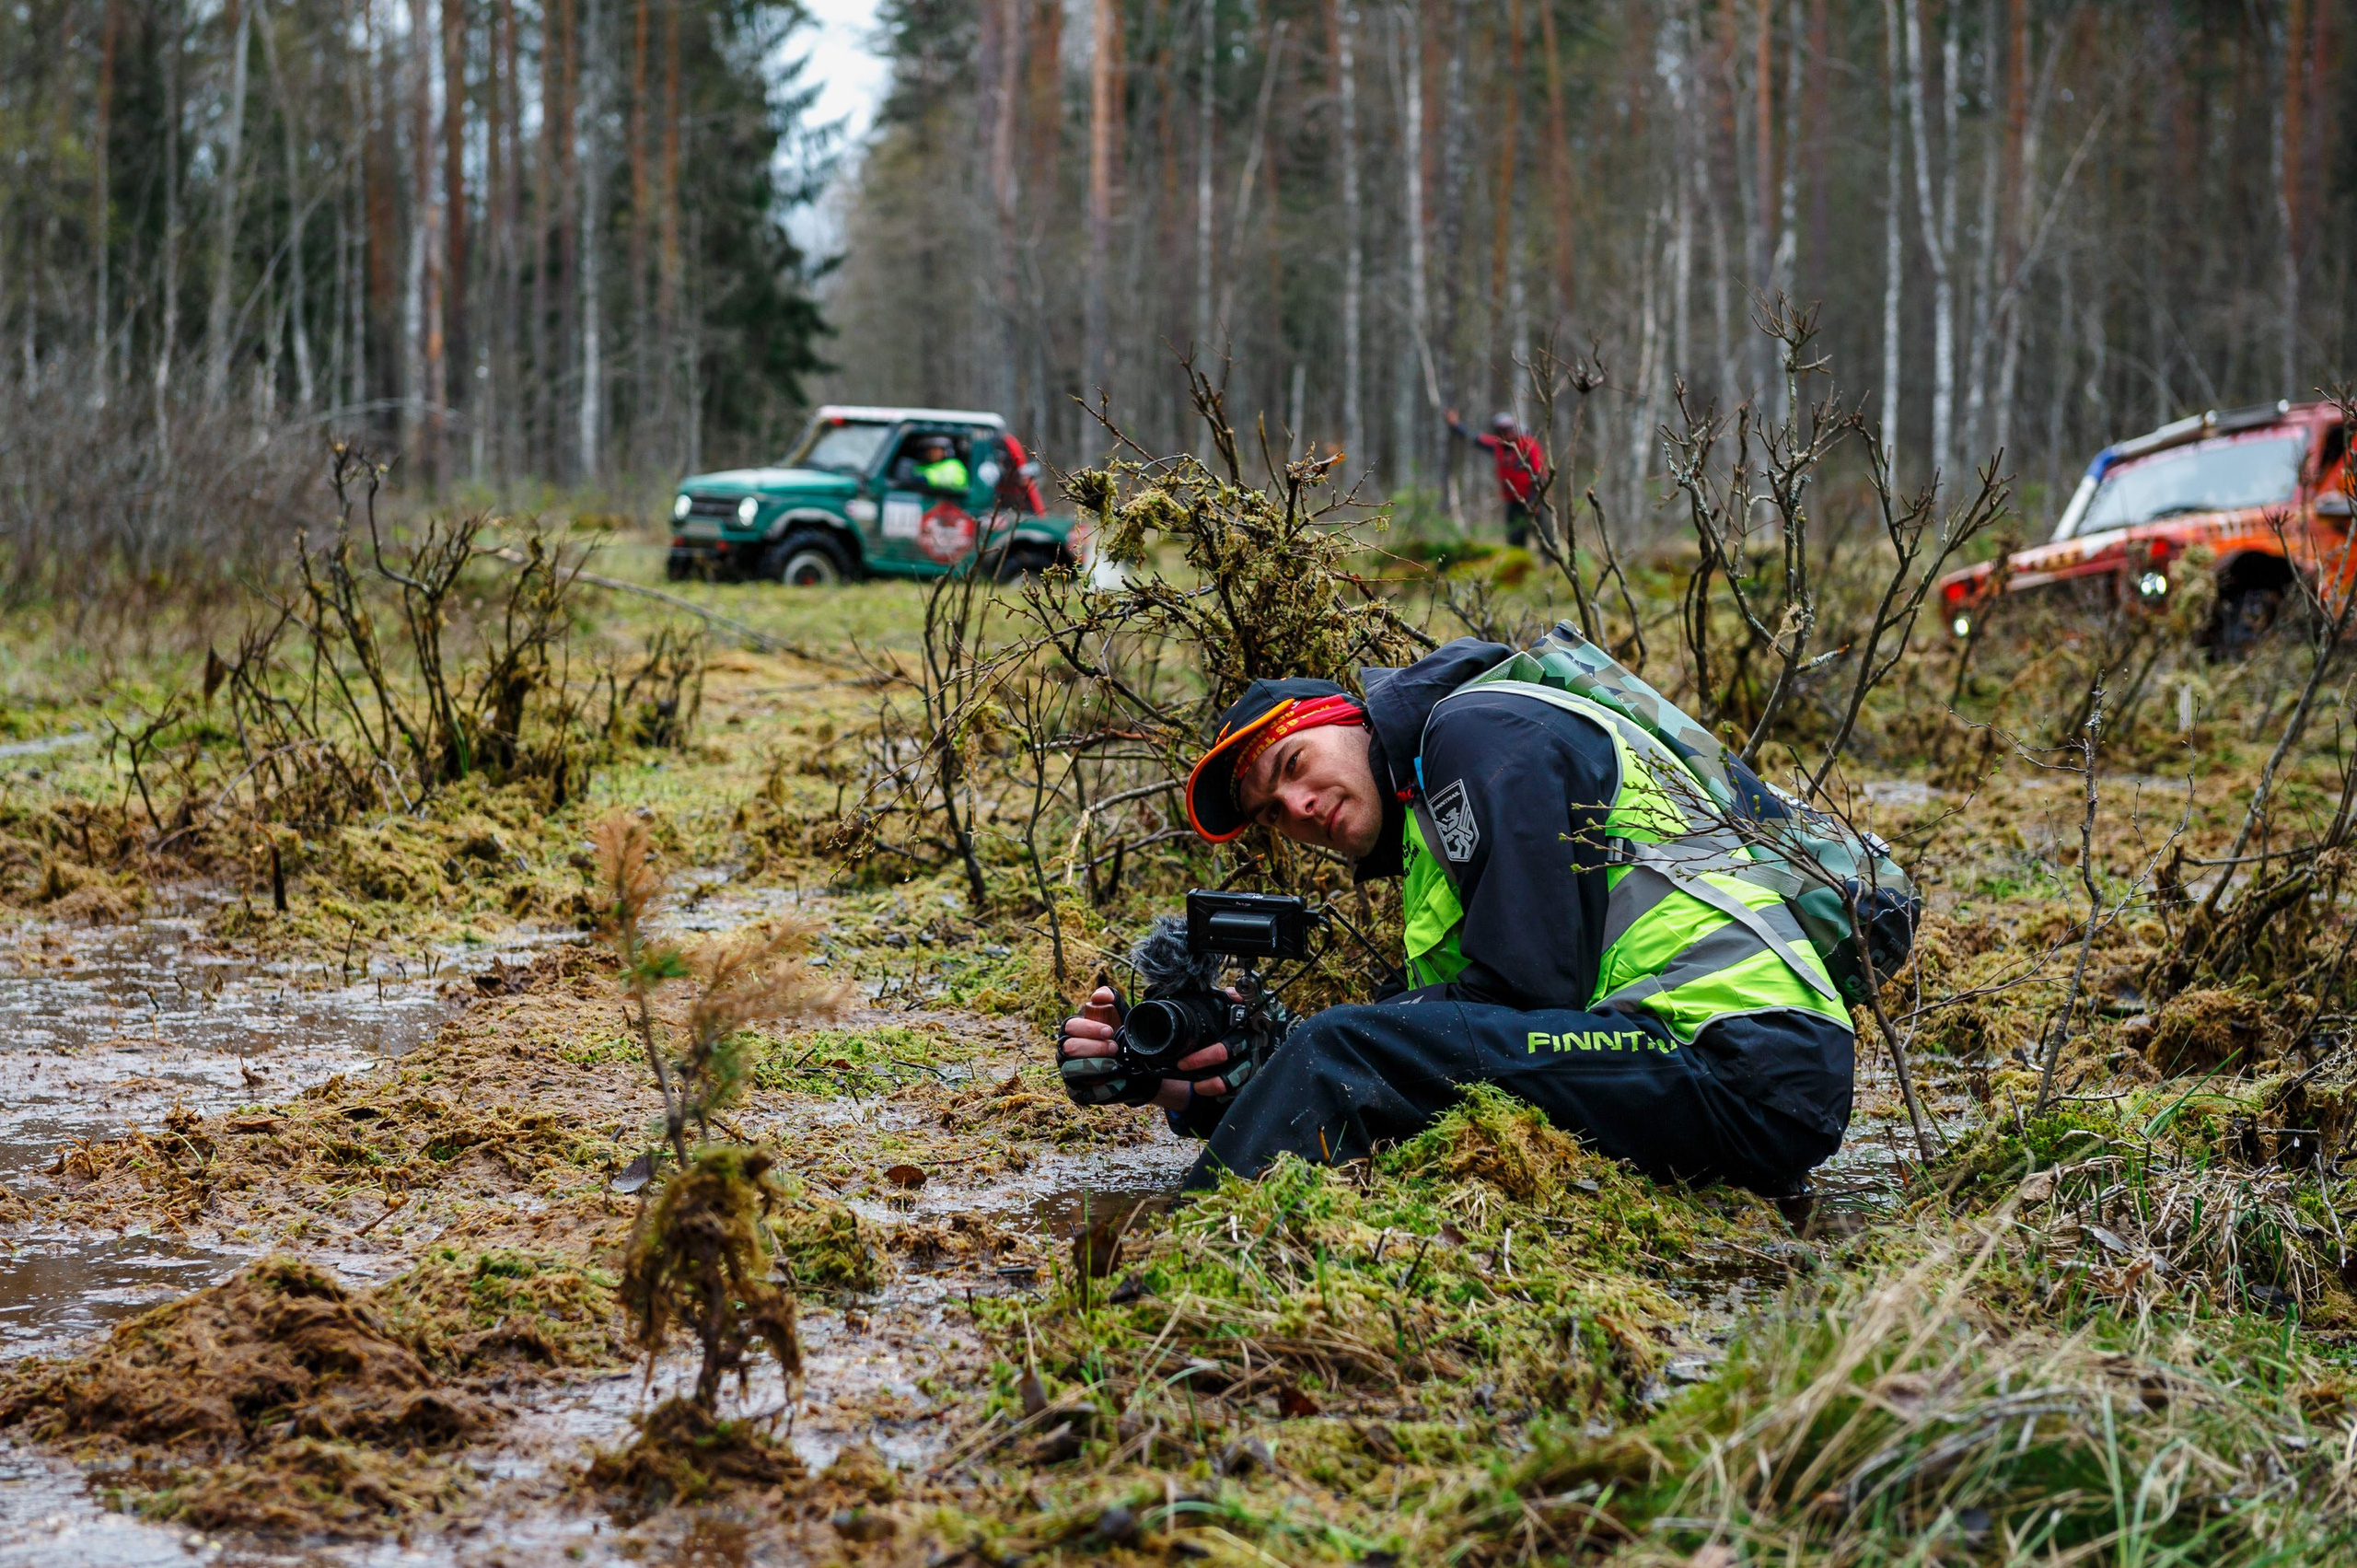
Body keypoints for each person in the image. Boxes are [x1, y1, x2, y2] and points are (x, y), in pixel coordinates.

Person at [1055, 638, 1856, 1196]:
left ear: (1348, 717)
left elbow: (1525, 991)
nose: (1297, 806)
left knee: (1339, 1042)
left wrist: (1323, 1039)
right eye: (1273, 813)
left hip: (1739, 1053)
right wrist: (1179, 1083)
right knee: (1338, 1044)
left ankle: (1177, 1266)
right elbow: (1438, 1065)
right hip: (1703, 1066)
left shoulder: (1473, 730)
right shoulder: (1428, 840)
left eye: (1294, 764)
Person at [1446, 409, 1544, 548]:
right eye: (1501, 431)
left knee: (1543, 535)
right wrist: (1456, 426)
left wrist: (1536, 500)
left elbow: (1539, 473)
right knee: (1515, 538)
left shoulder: (1528, 445)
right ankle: (1518, 565)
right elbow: (1476, 438)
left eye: (1508, 429)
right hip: (1513, 500)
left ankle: (1550, 564)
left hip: (1532, 499)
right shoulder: (1497, 446)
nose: (1506, 434)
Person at [898, 434, 970, 496]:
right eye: (930, 450)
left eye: (937, 450)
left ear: (946, 451)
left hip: (946, 501)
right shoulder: (920, 466)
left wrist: (927, 479)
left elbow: (953, 481)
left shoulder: (953, 464)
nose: (934, 453)